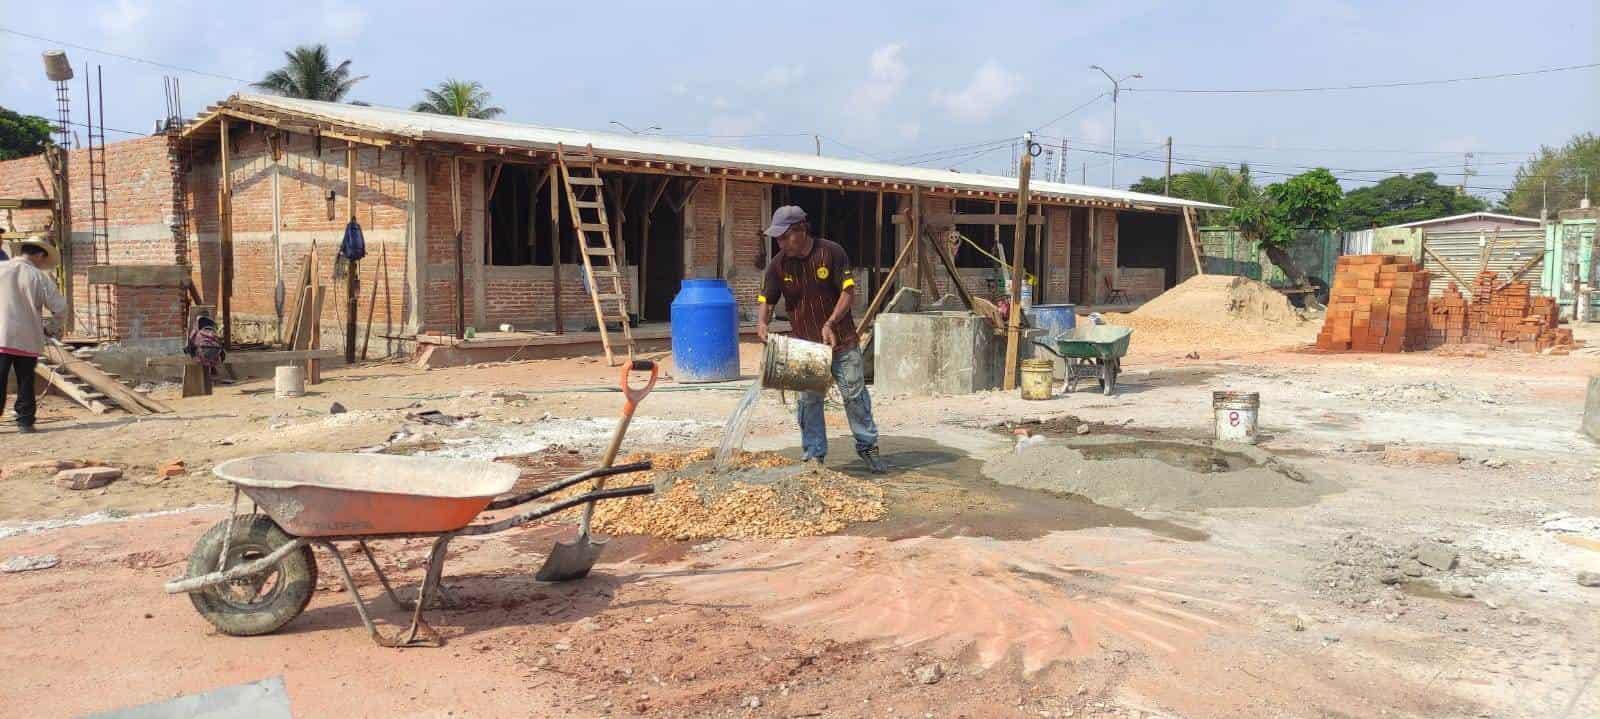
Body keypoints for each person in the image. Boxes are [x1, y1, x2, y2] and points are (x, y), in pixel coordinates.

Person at [755, 206, 886, 474]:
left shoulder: (831, 253)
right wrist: (762, 322)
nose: (779, 242)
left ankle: (868, 447)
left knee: (854, 396)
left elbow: (848, 293)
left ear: (801, 230)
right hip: (806, 347)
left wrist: (831, 323)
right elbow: (766, 299)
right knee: (808, 401)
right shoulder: (779, 264)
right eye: (777, 237)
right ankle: (814, 455)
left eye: (784, 236)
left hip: (842, 342)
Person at [0, 237, 68, 434]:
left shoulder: (1, 268)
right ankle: (25, 422)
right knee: (26, 381)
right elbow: (60, 307)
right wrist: (53, 327)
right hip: (27, 338)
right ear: (39, 255)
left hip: (1, 336)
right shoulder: (38, 277)